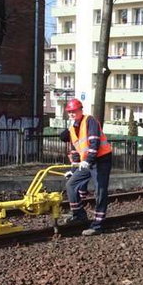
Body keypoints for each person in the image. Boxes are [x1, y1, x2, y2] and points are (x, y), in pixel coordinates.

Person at [60, 99, 113, 236]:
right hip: (87, 162)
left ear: (80, 110)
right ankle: (79, 214)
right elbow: (76, 151)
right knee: (71, 184)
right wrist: (73, 170)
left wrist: (88, 161)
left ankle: (98, 224)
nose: (71, 114)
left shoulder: (90, 121)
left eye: (74, 111)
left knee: (100, 190)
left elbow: (94, 143)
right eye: (69, 112)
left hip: (101, 160)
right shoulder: (72, 129)